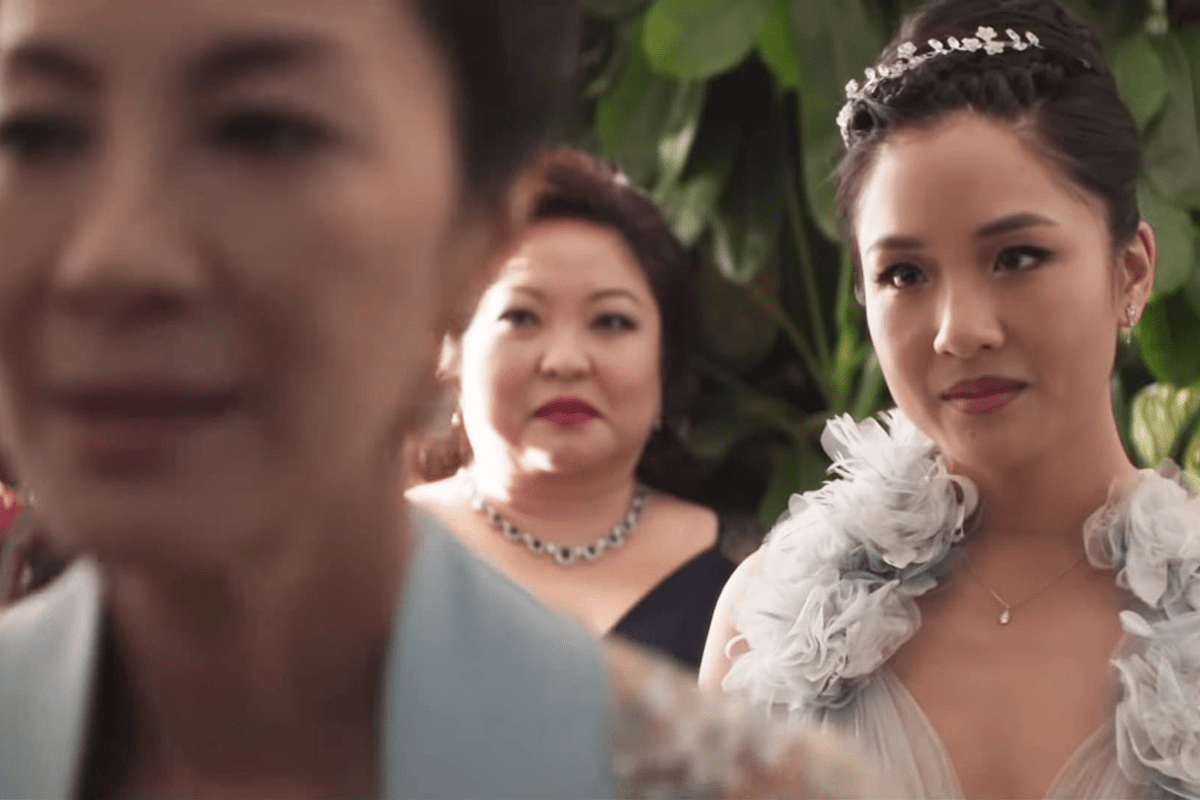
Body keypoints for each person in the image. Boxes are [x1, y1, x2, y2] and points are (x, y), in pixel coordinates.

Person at [0, 1, 874, 798]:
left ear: (474, 237)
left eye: (263, 131)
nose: (113, 261)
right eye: (32, 133)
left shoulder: (734, 783)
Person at [701, 0, 1200, 798]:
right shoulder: (769, 624)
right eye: (904, 274)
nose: (958, 331)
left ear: (1131, 273)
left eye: (1017, 256)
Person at [407, 146, 763, 670]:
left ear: (663, 362)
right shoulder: (366, 560)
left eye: (611, 321)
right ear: (451, 350)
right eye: (522, 316)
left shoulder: (757, 576)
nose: (567, 361)